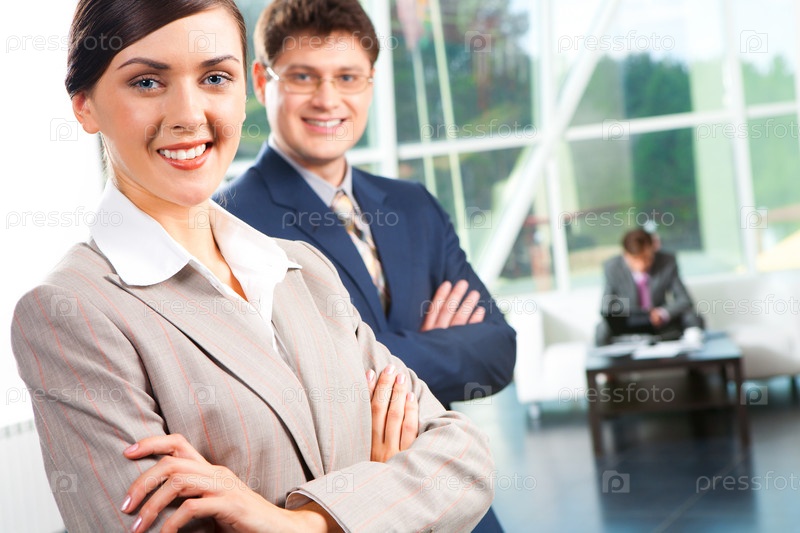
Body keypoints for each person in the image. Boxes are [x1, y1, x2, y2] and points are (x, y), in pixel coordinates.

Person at [10, 1, 494, 531]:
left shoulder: (302, 269)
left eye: (215, 78)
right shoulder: (69, 310)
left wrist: (301, 523)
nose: (189, 115)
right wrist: (379, 494)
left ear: (244, 92)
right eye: (147, 82)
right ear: (85, 106)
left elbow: (465, 460)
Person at [217, 0, 516, 411]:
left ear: (370, 83)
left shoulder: (414, 207)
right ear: (261, 81)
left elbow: (497, 351)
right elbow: (280, 386)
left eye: (347, 77)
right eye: (303, 77)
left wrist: (362, 360)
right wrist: (437, 347)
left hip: (439, 452)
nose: (328, 100)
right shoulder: (228, 222)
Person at [595, 228, 703, 346]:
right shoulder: (612, 267)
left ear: (653, 249)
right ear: (625, 255)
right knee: (602, 328)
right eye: (636, 259)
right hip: (630, 322)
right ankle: (610, 357)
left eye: (646, 258)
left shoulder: (667, 262)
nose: (642, 264)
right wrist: (637, 316)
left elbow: (684, 300)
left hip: (660, 322)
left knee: (692, 316)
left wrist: (662, 313)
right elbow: (607, 307)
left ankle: (693, 351)